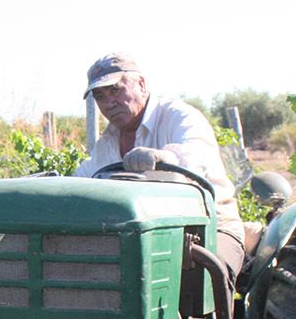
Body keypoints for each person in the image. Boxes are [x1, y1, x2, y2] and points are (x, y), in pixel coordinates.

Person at [74, 53, 245, 281]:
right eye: (99, 95)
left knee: (208, 276)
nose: (108, 103)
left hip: (207, 227)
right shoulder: (107, 143)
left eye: (115, 90)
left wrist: (163, 158)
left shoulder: (179, 117)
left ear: (141, 84)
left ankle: (220, 316)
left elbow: (195, 155)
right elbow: (83, 179)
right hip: (141, 236)